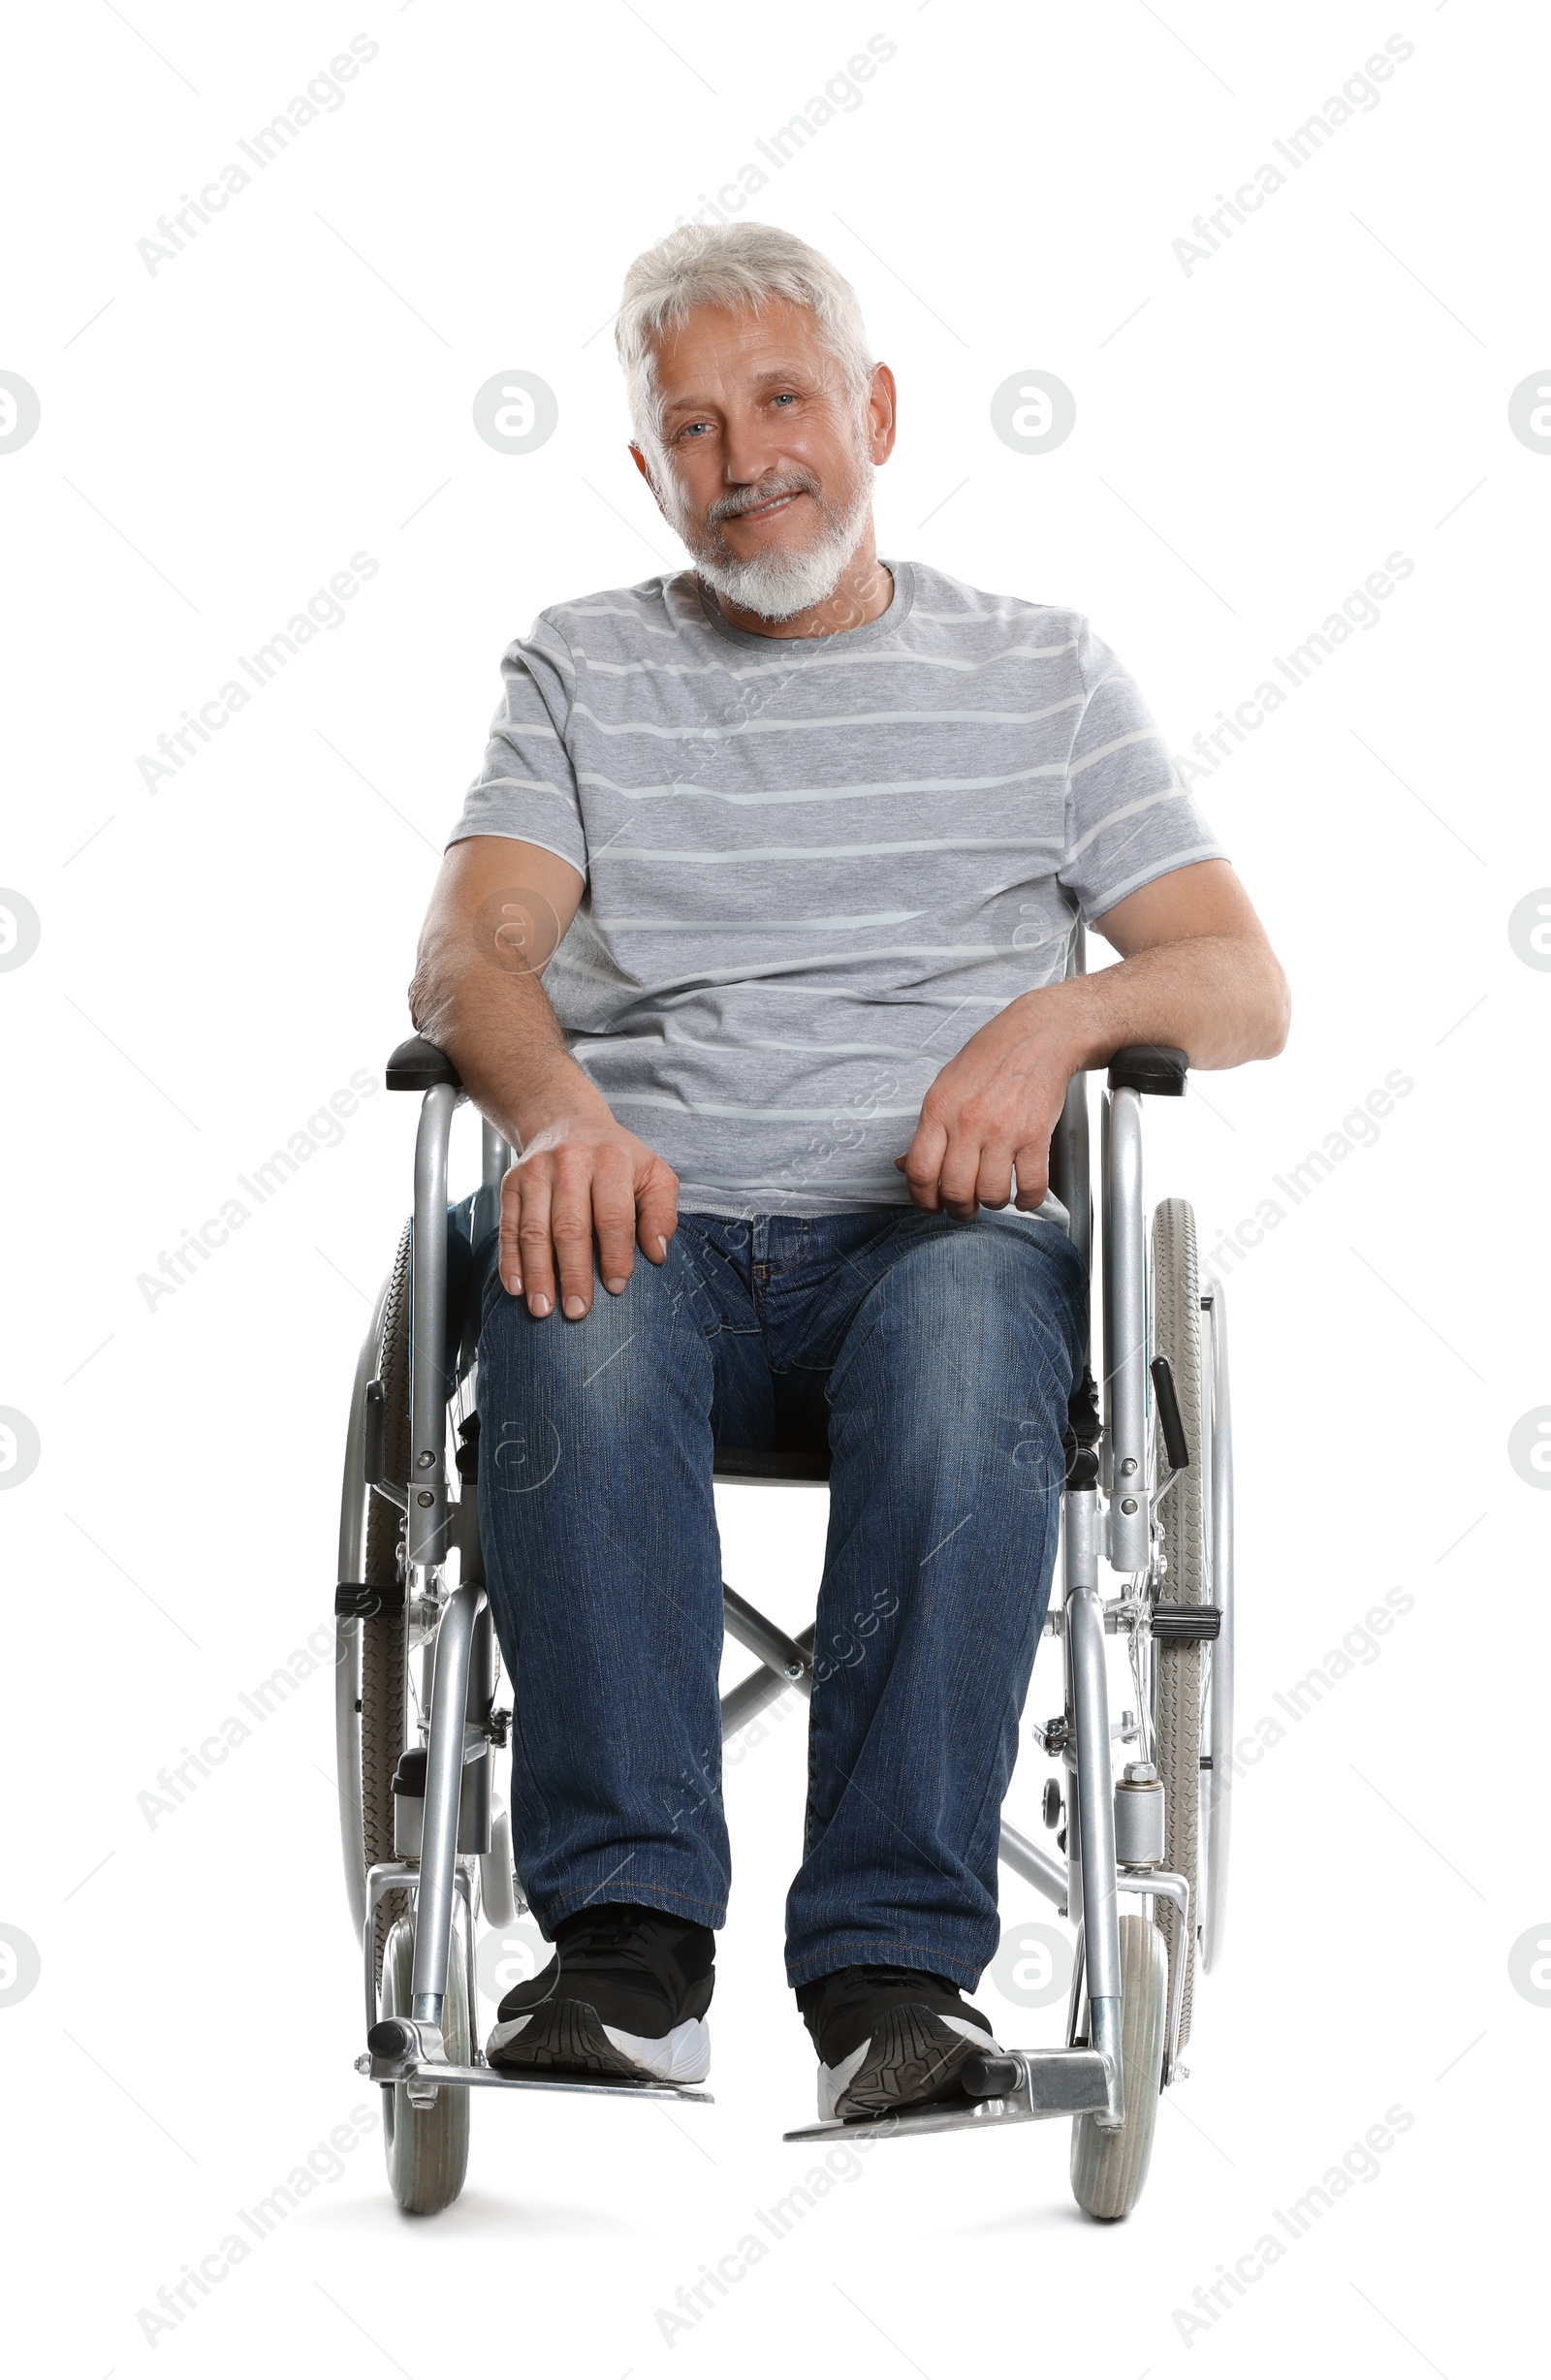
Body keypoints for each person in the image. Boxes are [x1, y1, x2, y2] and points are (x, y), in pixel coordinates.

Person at [408, 222, 1288, 2120]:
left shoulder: (1038, 674)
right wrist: (558, 1115)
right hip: (645, 1222)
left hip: (931, 1247)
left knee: (979, 1314)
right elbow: (470, 954)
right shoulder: (582, 668)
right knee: (566, 1269)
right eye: (695, 430)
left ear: (873, 410)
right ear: (650, 470)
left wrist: (1050, 1025)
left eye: (782, 402)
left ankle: (893, 1974)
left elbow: (1237, 981)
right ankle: (627, 1953)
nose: (746, 460)